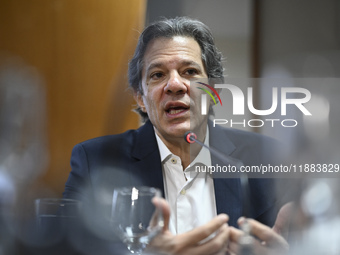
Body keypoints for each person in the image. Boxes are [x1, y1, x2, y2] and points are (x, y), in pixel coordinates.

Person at [63, 17, 289, 254]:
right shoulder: (95, 161)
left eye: (190, 71)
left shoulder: (267, 157)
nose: (175, 84)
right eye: (158, 75)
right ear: (140, 97)